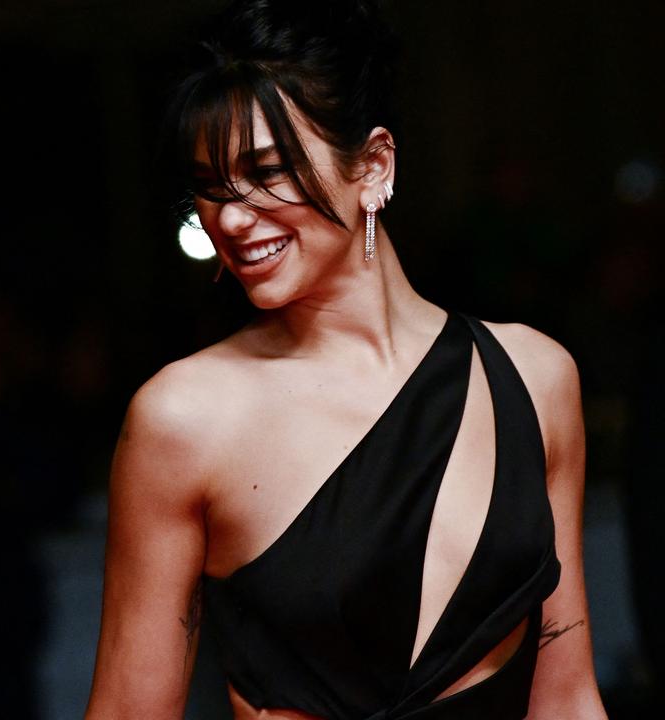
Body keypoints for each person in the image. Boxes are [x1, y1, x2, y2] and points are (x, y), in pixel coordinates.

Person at [84, 1, 607, 718]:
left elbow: (569, 700)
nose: (231, 219)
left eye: (267, 172)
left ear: (374, 165)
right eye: (210, 187)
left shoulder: (535, 376)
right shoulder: (185, 418)